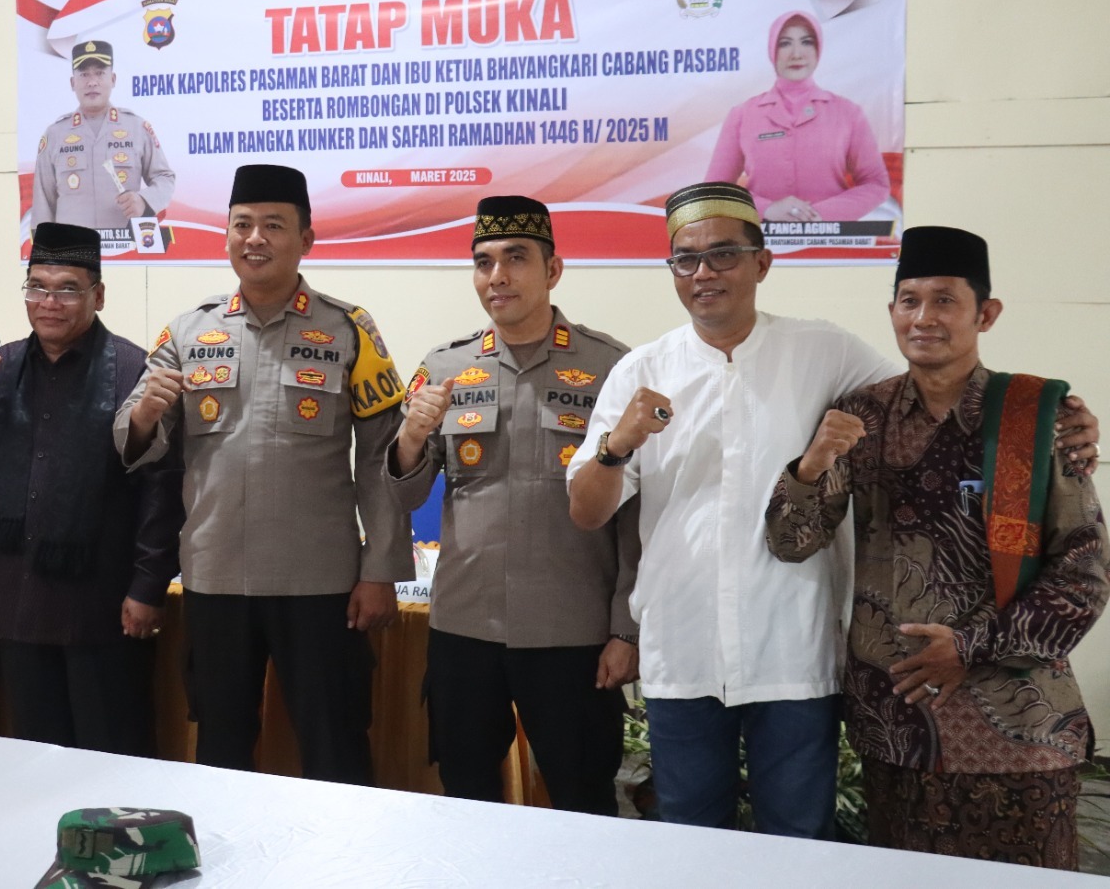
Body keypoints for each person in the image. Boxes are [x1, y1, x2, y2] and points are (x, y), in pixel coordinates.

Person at [565, 182, 1099, 838]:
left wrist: (1051, 418)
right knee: (690, 839)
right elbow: (587, 511)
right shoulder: (641, 371)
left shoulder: (824, 351)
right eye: (687, 258)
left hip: (793, 654)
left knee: (801, 844)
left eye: (724, 253)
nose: (704, 273)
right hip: (683, 653)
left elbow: (932, 387)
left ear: (762, 263)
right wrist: (618, 444)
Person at [766, 226, 1106, 868]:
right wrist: (809, 468)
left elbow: (1083, 571)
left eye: (945, 300)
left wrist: (970, 647)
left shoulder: (1036, 416)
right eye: (909, 300)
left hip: (1021, 730)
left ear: (986, 313)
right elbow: (790, 542)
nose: (924, 317)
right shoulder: (860, 417)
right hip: (898, 729)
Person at [115, 163, 412, 785]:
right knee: (220, 747)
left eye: (273, 225)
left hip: (320, 583)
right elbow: (133, 441)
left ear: (306, 239)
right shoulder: (188, 331)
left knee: (335, 746)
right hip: (216, 577)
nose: (255, 238)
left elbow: (380, 458)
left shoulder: (349, 329)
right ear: (226, 235)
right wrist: (142, 414)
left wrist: (381, 569)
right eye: (242, 224)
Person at [385, 196, 640, 814]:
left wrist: (625, 629)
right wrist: (411, 437)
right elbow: (405, 494)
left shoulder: (612, 367)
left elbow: (637, 517)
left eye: (516, 258)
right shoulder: (445, 366)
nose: (497, 276)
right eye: (483, 262)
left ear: (553, 270)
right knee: (465, 799)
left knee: (584, 801)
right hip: (465, 628)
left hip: (571, 630)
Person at [0, 222, 183, 754]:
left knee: (112, 753)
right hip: (17, 600)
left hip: (101, 605)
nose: (49, 303)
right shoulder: (0, 366)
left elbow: (162, 489)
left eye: (67, 289)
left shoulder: (133, 369)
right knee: (36, 756)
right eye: (37, 287)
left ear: (98, 295)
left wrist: (147, 585)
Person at [703, 10, 893, 223]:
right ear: (772, 50)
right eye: (785, 43)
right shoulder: (743, 114)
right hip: (759, 236)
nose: (796, 54)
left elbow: (875, 184)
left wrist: (822, 215)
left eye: (806, 42)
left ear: (818, 49)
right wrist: (766, 209)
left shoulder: (848, 113)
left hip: (831, 237)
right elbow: (714, 191)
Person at [32, 40, 176, 232]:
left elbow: (165, 177)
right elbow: (42, 202)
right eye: (84, 74)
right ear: (73, 83)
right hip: (72, 247)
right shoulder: (54, 135)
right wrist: (43, 247)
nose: (92, 82)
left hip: (124, 247)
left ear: (113, 79)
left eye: (100, 73)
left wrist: (144, 200)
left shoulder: (136, 128)